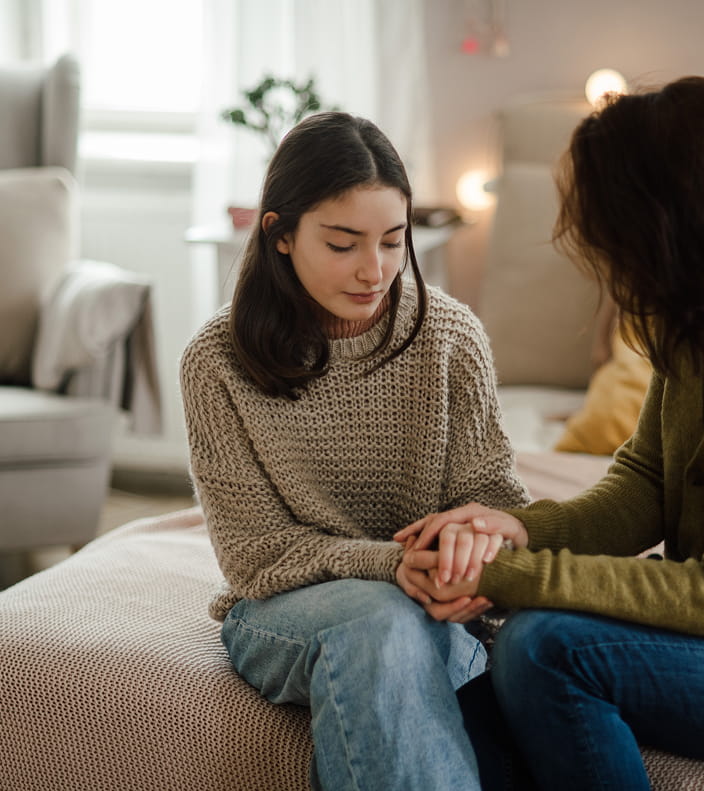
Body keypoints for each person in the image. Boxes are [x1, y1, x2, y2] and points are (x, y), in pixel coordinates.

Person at [395, 76, 704, 790]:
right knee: (458, 714)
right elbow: (644, 487)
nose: (615, 273)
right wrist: (513, 530)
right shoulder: (697, 311)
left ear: (672, 229)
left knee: (544, 648)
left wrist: (501, 576)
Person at [179, 111, 529, 791]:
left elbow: (497, 503)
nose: (374, 271)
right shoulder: (216, 360)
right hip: (282, 608)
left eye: (394, 242)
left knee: (403, 628)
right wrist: (393, 563)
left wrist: (467, 546)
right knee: (380, 622)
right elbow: (255, 556)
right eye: (343, 244)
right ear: (280, 234)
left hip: (430, 601)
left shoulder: (450, 336)